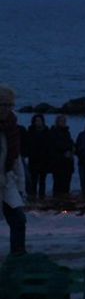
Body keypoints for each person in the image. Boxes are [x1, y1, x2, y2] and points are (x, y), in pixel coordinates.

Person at [0, 85, 27, 256]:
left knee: (18, 219)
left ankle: (18, 255)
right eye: (3, 105)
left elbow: (16, 158)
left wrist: (21, 187)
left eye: (10, 105)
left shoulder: (11, 126)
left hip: (6, 180)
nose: (7, 109)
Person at [49, 114, 75, 199]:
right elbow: (56, 145)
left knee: (66, 183)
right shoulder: (54, 132)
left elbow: (70, 144)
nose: (63, 123)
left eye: (64, 121)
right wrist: (66, 150)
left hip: (67, 163)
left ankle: (65, 201)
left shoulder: (67, 132)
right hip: (58, 163)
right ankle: (57, 201)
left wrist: (71, 150)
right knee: (58, 184)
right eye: (61, 121)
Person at [25, 114, 50, 201]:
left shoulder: (47, 132)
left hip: (44, 160)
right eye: (36, 121)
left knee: (42, 181)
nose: (38, 122)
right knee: (33, 180)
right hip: (33, 160)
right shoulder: (30, 132)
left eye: (39, 120)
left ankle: (42, 198)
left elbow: (49, 146)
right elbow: (27, 145)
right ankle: (33, 198)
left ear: (42, 121)